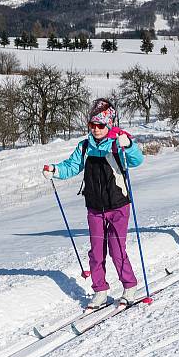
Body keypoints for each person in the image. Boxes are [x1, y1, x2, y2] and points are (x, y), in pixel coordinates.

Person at [42, 98, 144, 309]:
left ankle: (129, 286)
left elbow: (136, 161)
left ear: (108, 124)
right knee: (96, 252)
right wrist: (55, 170)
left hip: (118, 205)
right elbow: (71, 166)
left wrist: (130, 146)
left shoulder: (118, 144)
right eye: (92, 125)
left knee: (117, 250)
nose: (96, 129)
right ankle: (100, 291)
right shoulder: (86, 146)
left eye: (100, 125)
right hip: (95, 208)